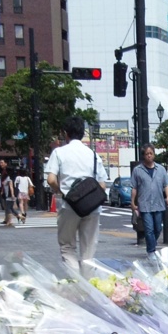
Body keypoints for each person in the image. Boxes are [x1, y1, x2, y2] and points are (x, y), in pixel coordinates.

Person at [46, 115, 107, 276]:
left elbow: (51, 179)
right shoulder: (93, 154)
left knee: (67, 247)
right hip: (92, 208)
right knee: (88, 252)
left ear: (66, 133)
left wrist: (59, 189)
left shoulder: (59, 152)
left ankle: (77, 285)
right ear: (82, 134)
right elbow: (102, 184)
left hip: (69, 206)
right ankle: (88, 287)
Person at [130, 144, 168, 256]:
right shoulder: (137, 170)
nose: (149, 156)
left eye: (151, 153)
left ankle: (151, 244)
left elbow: (166, 184)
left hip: (158, 203)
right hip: (144, 204)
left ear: (154, 154)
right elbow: (134, 187)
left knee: (158, 228)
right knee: (149, 229)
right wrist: (132, 202)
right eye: (146, 154)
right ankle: (151, 252)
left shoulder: (161, 169)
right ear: (143, 156)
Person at [0, 160, 19, 226]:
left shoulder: (8, 172)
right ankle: (9, 219)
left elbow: (10, 184)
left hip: (8, 191)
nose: (0, 164)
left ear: (6, 163)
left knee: (8, 206)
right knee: (8, 206)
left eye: (2, 163)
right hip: (6, 190)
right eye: (0, 163)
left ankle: (9, 220)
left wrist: (12, 194)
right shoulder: (5, 171)